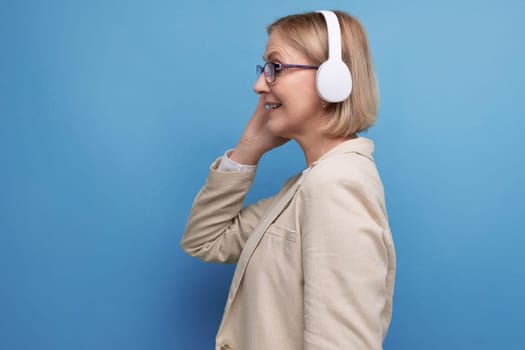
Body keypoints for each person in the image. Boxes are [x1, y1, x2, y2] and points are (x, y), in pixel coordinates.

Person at [181, 10, 395, 350]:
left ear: (332, 81)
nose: (258, 85)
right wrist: (249, 148)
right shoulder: (309, 184)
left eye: (275, 67)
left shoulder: (336, 188)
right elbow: (205, 240)